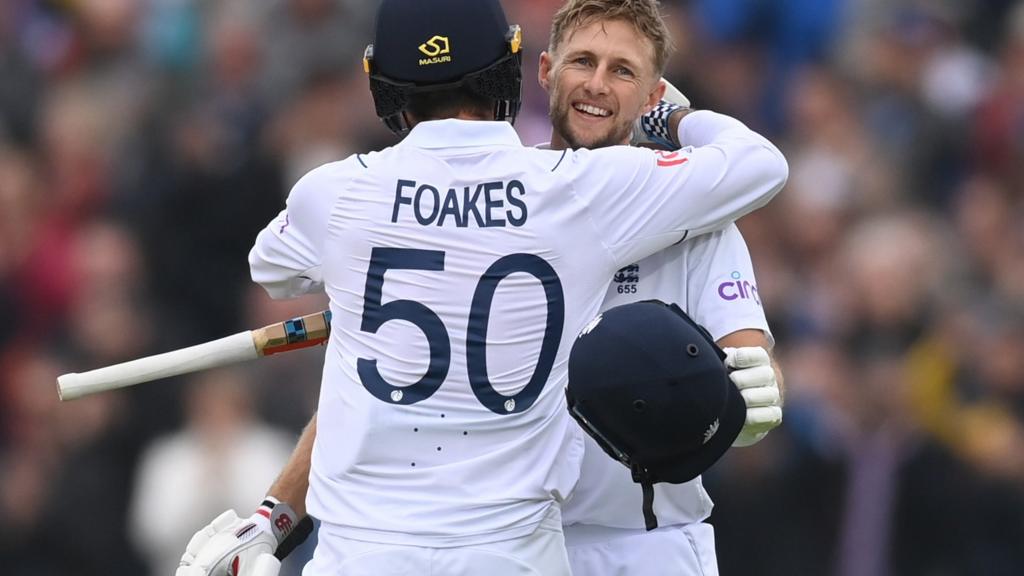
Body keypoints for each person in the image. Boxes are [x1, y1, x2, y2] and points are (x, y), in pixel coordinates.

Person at [176, 0, 787, 574]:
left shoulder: (689, 218)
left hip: (639, 544)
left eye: (622, 70)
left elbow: (753, 359)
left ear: (653, 93)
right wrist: (279, 511)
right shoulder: (562, 190)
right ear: (539, 71)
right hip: (523, 542)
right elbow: (355, 396)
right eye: (582, 61)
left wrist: (756, 393)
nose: (598, 84)